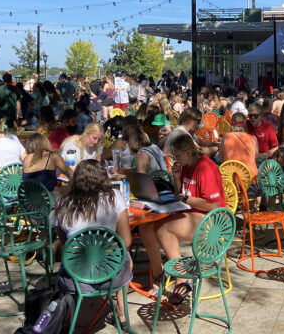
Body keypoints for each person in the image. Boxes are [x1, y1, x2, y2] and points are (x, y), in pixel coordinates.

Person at [139, 135, 225, 304]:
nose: (175, 160)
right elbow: (181, 192)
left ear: (187, 152)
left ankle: (182, 279)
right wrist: (177, 178)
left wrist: (185, 199)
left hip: (212, 221)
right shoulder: (186, 165)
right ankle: (159, 274)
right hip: (191, 213)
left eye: (176, 156)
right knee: (146, 226)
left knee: (163, 229)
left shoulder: (205, 167)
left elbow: (213, 205)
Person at [52, 160, 133, 328]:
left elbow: (65, 244)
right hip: (112, 276)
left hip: (76, 279)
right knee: (125, 256)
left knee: (66, 263)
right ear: (103, 177)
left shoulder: (62, 204)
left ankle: (67, 318)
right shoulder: (115, 197)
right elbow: (126, 241)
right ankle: (122, 314)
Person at [219, 113, 259, 179]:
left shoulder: (226, 136)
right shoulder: (254, 138)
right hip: (250, 179)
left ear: (231, 124)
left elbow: (221, 158)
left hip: (231, 181)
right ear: (245, 124)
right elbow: (255, 158)